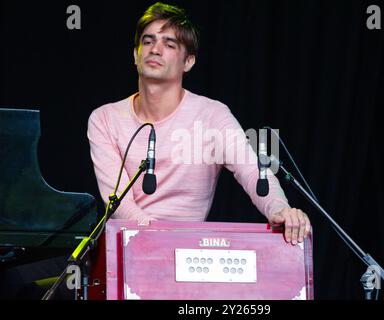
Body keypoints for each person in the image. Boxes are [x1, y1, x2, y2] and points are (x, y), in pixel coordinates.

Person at [87, 2, 311, 245]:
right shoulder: (105, 118)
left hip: (188, 250)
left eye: (169, 44)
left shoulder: (212, 115)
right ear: (135, 54)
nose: (155, 49)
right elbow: (121, 204)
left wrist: (279, 210)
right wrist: (157, 240)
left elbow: (252, 171)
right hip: (129, 248)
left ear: (188, 62)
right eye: (148, 41)